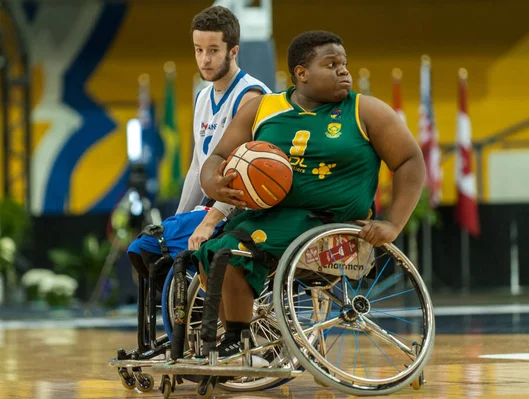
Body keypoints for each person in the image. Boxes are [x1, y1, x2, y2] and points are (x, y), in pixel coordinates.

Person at [192, 30, 426, 357]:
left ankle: (235, 341)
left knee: (231, 252)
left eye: (344, 64)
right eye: (331, 64)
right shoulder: (263, 108)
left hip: (328, 226)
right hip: (268, 218)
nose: (344, 71)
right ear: (301, 74)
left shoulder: (366, 111)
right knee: (210, 254)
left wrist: (393, 224)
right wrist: (212, 182)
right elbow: (217, 157)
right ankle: (239, 339)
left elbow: (411, 161)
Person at [127, 5, 270, 290]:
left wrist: (208, 220)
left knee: (147, 247)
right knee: (152, 247)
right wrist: (180, 217)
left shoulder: (251, 96)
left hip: (238, 208)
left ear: (233, 51)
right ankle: (184, 317)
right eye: (198, 50)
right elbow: (197, 165)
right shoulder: (203, 97)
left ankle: (195, 314)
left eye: (213, 50)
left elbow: (245, 175)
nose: (204, 59)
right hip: (208, 206)